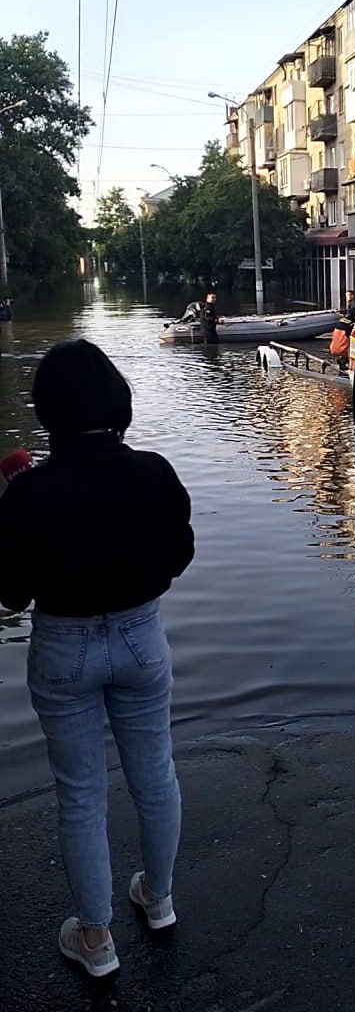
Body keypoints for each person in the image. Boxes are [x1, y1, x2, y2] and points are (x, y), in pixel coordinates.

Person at [0, 339, 194, 977]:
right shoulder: (154, 473)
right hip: (141, 639)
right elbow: (178, 556)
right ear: (116, 400)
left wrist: (20, 507)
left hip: (63, 649)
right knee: (155, 775)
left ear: (47, 410)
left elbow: (11, 592)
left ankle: (95, 939)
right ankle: (158, 900)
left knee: (81, 794)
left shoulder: (29, 492)